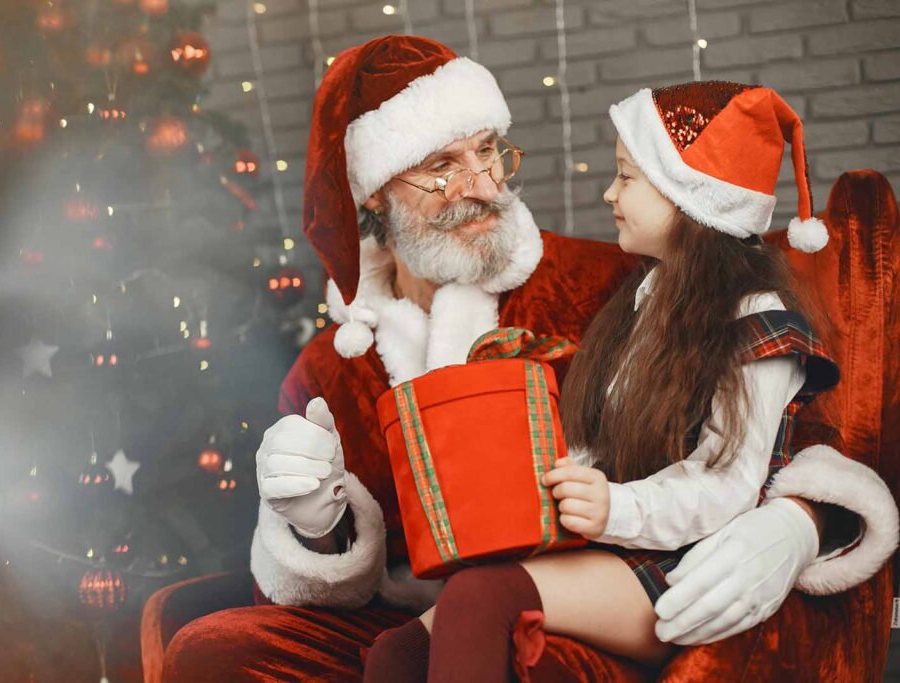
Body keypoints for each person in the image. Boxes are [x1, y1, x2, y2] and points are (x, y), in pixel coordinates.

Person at [165, 36, 898, 681]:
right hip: (437, 605)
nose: (483, 184)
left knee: (499, 628)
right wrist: (313, 527)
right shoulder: (330, 370)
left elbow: (794, 424)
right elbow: (322, 586)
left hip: (608, 579)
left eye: (488, 150)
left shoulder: (609, 281)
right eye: (443, 165)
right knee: (223, 648)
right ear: (375, 195)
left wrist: (800, 521)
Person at [362, 81, 848, 682]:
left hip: (685, 564)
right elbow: (608, 440)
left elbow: (727, 484)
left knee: (478, 599)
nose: (608, 191)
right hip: (621, 542)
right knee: (396, 653)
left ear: (689, 197)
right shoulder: (646, 301)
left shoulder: (756, 321)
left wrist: (613, 506)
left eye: (627, 177)